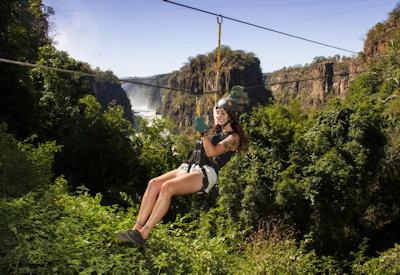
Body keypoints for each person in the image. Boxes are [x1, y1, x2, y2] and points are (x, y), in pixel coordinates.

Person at [117, 86, 248, 246]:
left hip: (206, 172)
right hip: (190, 165)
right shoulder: (217, 129)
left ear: (232, 116)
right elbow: (215, 109)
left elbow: (212, 152)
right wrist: (211, 99)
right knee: (154, 184)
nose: (219, 116)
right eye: (218, 113)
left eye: (223, 113)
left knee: (167, 187)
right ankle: (136, 228)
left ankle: (143, 235)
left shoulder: (234, 138)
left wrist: (202, 133)